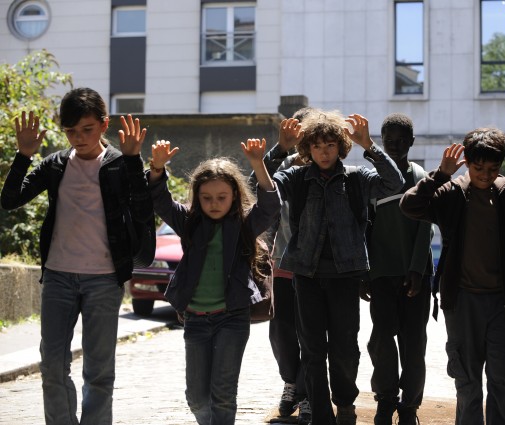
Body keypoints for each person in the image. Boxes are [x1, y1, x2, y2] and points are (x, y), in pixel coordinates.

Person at [0, 87, 153, 425]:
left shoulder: (117, 164)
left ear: (103, 124)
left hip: (104, 279)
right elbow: (9, 200)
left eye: (86, 129)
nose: (78, 138)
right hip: (58, 277)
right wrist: (23, 155)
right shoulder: (54, 165)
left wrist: (133, 160)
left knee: (98, 373)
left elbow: (144, 211)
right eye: (70, 131)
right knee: (52, 366)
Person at [399, 128, 505, 425]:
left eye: (493, 168)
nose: (486, 175)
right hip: (461, 304)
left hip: (501, 304)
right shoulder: (450, 194)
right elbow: (409, 206)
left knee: (504, 381)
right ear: (468, 163)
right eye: (478, 168)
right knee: (468, 382)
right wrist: (440, 175)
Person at [264, 109, 404, 425]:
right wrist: (279, 150)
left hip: (345, 276)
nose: (324, 152)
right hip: (306, 276)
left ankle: (344, 402)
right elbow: (259, 189)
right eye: (317, 146)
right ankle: (322, 416)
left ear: (340, 146)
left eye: (330, 145)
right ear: (308, 149)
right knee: (312, 351)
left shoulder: (357, 177)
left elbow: (394, 183)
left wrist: (369, 145)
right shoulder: (296, 179)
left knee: (344, 350)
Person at [147, 138, 281, 425]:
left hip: (232, 318)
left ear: (234, 195)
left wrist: (258, 164)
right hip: (195, 320)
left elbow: (270, 207)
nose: (214, 203)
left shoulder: (244, 224)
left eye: (222, 197)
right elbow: (160, 200)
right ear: (197, 197)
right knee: (196, 396)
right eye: (207, 198)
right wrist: (157, 168)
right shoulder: (189, 222)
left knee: (223, 394)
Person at [362, 113, 434, 425]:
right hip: (381, 274)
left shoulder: (420, 178)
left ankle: (409, 408)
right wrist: (365, 271)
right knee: (381, 339)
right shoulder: (373, 181)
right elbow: (364, 227)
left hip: (415, 275)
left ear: (411, 143)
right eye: (388, 140)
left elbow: (425, 229)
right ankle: (386, 399)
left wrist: (417, 269)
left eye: (400, 140)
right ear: (382, 141)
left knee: (414, 343)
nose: (394, 145)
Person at [265, 108, 315, 425]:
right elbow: (259, 177)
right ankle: (291, 383)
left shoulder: (328, 164)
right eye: (297, 131)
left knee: (311, 334)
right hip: (282, 261)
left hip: (315, 269)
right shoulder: (284, 164)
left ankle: (308, 393)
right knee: (282, 332)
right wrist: (281, 148)